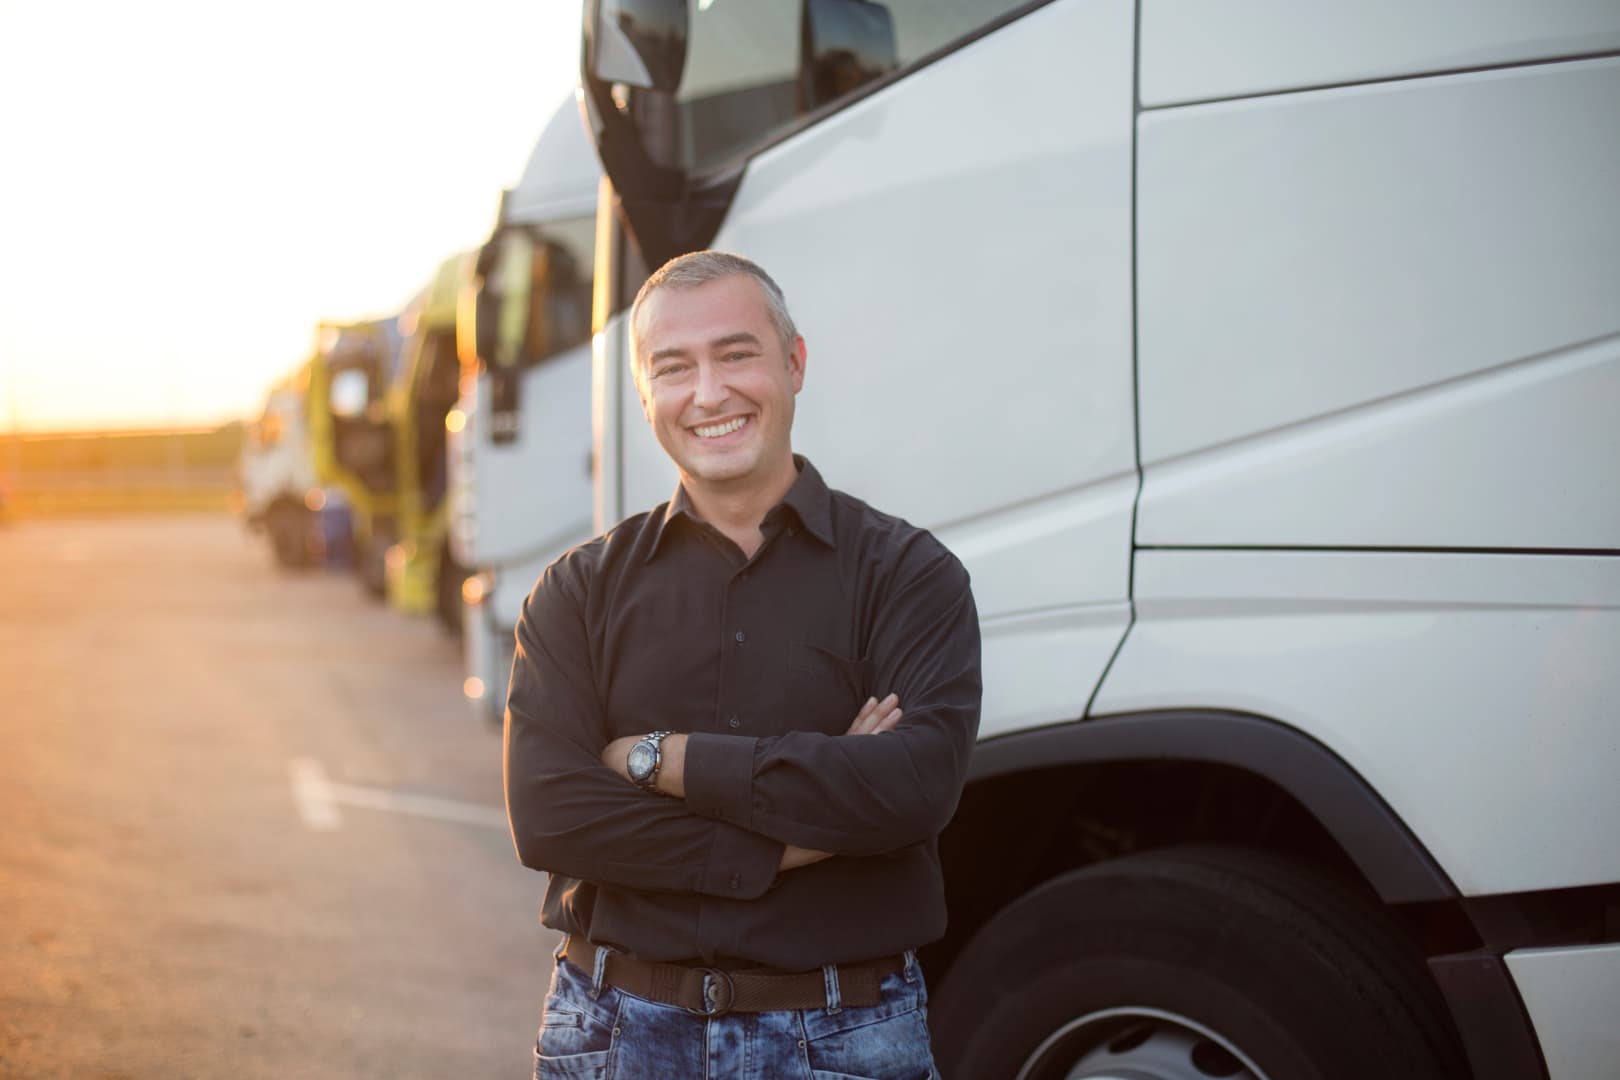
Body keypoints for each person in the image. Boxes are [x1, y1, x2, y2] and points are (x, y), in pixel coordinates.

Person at [504, 250, 981, 1079]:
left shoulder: (909, 574)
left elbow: (912, 787)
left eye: (736, 354)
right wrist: (803, 833)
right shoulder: (576, 591)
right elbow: (552, 815)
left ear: (794, 365)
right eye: (674, 367)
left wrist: (662, 760)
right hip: (614, 1033)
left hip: (843, 1037)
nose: (709, 393)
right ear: (645, 394)